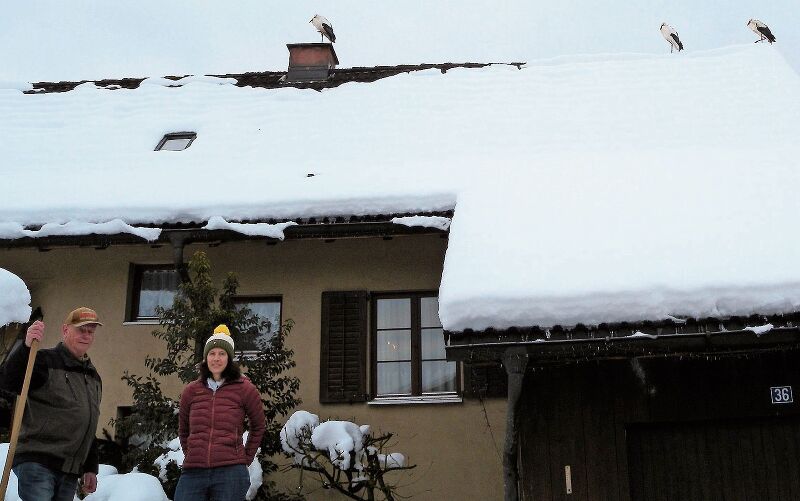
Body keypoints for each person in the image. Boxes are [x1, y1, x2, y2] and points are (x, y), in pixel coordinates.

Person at [1, 307, 103, 501]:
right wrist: (26, 347)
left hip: (69, 468)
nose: (86, 335)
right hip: (38, 460)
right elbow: (9, 381)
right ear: (65, 330)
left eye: (91, 331)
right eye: (81, 329)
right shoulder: (43, 362)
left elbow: (87, 423)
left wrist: (90, 467)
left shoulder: (93, 377)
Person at [175, 324, 266, 501]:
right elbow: (183, 430)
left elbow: (259, 426)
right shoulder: (191, 391)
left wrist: (244, 458)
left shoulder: (245, 389)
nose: (216, 359)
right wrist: (193, 453)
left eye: (222, 354)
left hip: (230, 472)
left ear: (229, 358)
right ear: (205, 358)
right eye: (212, 353)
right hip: (194, 471)